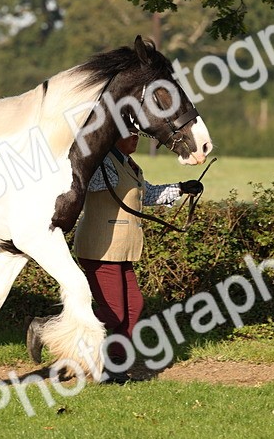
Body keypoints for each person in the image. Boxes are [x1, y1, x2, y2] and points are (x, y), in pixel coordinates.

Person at [28, 133, 203, 382]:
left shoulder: (129, 164)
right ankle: (46, 327)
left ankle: (116, 363)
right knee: (114, 313)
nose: (136, 139)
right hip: (100, 247)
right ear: (113, 137)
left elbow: (147, 194)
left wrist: (181, 188)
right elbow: (84, 182)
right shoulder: (103, 162)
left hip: (123, 249)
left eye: (137, 135)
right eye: (129, 135)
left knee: (134, 306)